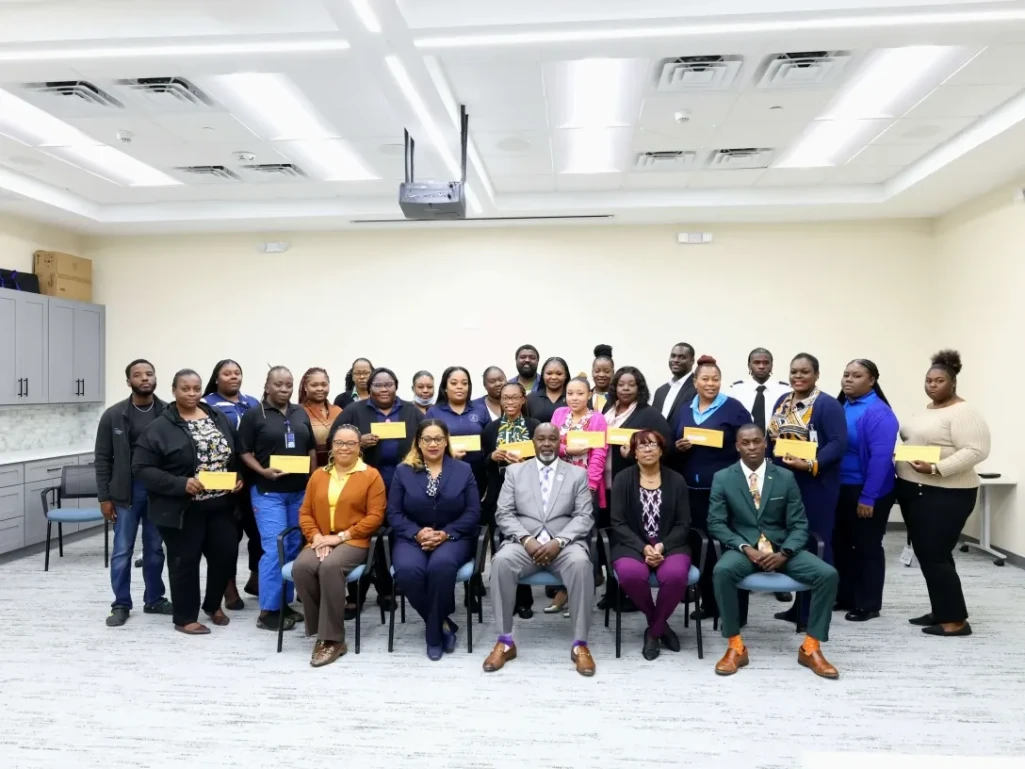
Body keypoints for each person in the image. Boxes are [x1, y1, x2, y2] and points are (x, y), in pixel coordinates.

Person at [708, 424, 840, 679]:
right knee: (722, 571)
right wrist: (745, 548)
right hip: (745, 550)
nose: (751, 447)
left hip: (782, 549)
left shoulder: (784, 477)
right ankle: (736, 646)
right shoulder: (723, 478)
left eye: (756, 441)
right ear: (737, 446)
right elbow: (716, 523)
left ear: (765, 443)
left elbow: (800, 524)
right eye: (745, 442)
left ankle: (810, 647)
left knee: (827, 574)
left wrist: (785, 553)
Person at [132, 369, 243, 635]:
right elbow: (142, 468)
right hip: (182, 508)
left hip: (221, 504)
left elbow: (231, 451)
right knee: (185, 562)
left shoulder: (216, 416)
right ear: (174, 391)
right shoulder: (159, 427)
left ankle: (212, 604)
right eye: (186, 389)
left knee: (226, 556)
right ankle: (184, 617)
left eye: (196, 388)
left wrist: (237, 477)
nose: (192, 394)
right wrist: (180, 484)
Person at [484, 423, 597, 677]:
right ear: (532, 442)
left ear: (560, 442)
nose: (547, 444)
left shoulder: (576, 474)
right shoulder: (514, 472)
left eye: (553, 439)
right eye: (541, 439)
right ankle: (505, 641)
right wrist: (525, 538)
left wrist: (560, 541)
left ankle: (580, 645)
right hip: (524, 544)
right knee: (501, 562)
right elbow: (503, 512)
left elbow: (584, 516)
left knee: (581, 564)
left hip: (564, 545)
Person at [896, 350, 990, 637]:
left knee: (935, 554)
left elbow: (977, 450)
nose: (932, 385)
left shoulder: (964, 412)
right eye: (928, 380)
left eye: (939, 381)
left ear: (953, 383)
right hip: (918, 490)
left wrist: (936, 468)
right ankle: (943, 610)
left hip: (945, 493)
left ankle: (956, 622)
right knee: (931, 555)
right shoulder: (928, 410)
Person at [292, 425, 387, 667]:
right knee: (301, 567)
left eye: (351, 443)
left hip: (354, 540)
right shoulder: (319, 475)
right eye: (339, 443)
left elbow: (375, 516)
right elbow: (305, 512)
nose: (344, 448)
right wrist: (315, 537)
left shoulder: (371, 475)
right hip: (321, 539)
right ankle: (320, 630)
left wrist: (341, 537)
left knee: (330, 567)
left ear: (359, 447)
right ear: (331, 446)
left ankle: (332, 639)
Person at [388, 420, 481, 660]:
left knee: (440, 566)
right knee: (407, 570)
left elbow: (473, 512)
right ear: (418, 442)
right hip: (412, 537)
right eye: (427, 439)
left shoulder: (463, 470)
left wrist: (445, 533)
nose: (432, 444)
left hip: (453, 537)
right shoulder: (403, 471)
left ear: (446, 440)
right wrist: (417, 533)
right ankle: (442, 622)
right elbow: (394, 513)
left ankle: (433, 637)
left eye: (438, 438)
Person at [767, 353, 848, 627]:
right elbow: (772, 439)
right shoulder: (783, 401)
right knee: (793, 542)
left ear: (816, 375)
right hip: (785, 484)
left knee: (816, 544)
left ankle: (816, 610)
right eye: (794, 372)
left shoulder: (827, 405)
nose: (798, 377)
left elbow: (838, 443)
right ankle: (799, 608)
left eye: (804, 372)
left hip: (815, 484)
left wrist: (811, 463)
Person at [331, 367, 423, 607]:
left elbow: (426, 441)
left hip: (403, 485)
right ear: (368, 388)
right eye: (378, 385)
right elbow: (335, 440)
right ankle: (356, 592)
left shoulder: (411, 411)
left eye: (389, 384)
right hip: (363, 486)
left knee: (392, 537)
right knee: (361, 535)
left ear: (396, 386)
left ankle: (387, 589)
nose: (384, 389)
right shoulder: (354, 411)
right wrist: (357, 442)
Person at [238, 366, 317, 632]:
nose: (284, 389)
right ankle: (268, 611)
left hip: (299, 492)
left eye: (288, 385)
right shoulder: (254, 414)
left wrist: (313, 479)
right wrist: (262, 471)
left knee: (293, 546)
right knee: (274, 548)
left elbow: (310, 448)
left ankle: (285, 604)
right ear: (268, 385)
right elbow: (244, 451)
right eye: (279, 384)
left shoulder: (299, 412)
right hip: (268, 492)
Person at [673, 355, 753, 619]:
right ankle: (709, 604)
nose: (711, 383)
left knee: (729, 549)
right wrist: (679, 447)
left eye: (715, 379)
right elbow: (674, 440)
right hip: (692, 493)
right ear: (695, 382)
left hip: (724, 493)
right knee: (702, 550)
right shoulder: (685, 409)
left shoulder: (734, 408)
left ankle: (734, 611)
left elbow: (750, 445)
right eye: (705, 379)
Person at [94, 359, 172, 627]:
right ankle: (121, 604)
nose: (145, 378)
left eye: (149, 373)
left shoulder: (168, 412)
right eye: (138, 375)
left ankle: (154, 599)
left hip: (157, 492)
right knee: (122, 550)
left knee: (154, 549)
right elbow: (103, 458)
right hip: (125, 492)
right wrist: (104, 497)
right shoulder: (114, 415)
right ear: (128, 381)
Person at [609, 430, 691, 660]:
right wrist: (643, 547)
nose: (647, 450)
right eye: (641, 446)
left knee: (675, 575)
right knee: (630, 574)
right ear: (634, 453)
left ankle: (653, 633)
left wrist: (662, 546)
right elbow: (618, 522)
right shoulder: (623, 479)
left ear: (661, 449)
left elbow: (684, 524)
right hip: (631, 544)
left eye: (652, 445)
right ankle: (661, 625)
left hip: (671, 545)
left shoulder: (676, 480)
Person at [598, 365, 673, 610]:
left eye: (632, 384)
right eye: (621, 384)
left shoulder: (648, 414)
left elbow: (665, 445)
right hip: (603, 486)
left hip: (629, 486)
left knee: (625, 537)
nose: (626, 388)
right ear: (614, 387)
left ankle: (627, 594)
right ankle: (612, 590)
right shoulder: (608, 410)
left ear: (639, 388)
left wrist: (633, 456)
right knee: (606, 539)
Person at [834, 359, 899, 622]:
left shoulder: (878, 412)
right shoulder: (842, 406)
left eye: (856, 375)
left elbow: (881, 459)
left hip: (868, 490)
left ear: (871, 380)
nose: (848, 379)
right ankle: (846, 596)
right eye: (846, 374)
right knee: (840, 545)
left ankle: (869, 603)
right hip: (840, 487)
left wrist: (868, 497)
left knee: (866, 547)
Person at [202, 359, 262, 610]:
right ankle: (228, 589)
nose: (233, 377)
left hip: (255, 478)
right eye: (227, 373)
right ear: (217, 378)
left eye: (237, 373)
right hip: (224, 480)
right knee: (227, 538)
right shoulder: (206, 405)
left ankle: (256, 578)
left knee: (260, 533)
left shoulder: (253, 403)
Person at [546, 377, 608, 614]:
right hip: (558, 486)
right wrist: (566, 449)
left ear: (589, 394)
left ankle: (581, 596)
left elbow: (600, 453)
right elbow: (550, 445)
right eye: (570, 393)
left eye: (579, 393)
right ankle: (563, 590)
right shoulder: (559, 415)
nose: (574, 398)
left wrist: (590, 486)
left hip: (585, 487)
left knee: (585, 540)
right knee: (561, 537)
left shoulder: (597, 419)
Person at [427, 366, 491, 496]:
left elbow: (490, 440)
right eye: (454, 383)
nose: (460, 387)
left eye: (464, 383)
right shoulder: (433, 412)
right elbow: (423, 444)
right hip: (444, 473)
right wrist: (447, 453)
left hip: (477, 473)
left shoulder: (480, 410)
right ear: (445, 387)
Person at [728, 348, 790, 434]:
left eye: (766, 363)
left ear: (771, 366)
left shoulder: (784, 390)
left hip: (775, 441)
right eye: (757, 362)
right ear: (749, 366)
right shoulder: (736, 390)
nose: (761, 366)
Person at [299, 367, 342, 468]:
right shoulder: (297, 412)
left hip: (338, 469)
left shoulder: (338, 411)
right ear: (305, 387)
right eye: (314, 385)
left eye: (324, 384)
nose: (320, 388)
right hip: (310, 471)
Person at [652, 343, 696, 424]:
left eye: (682, 357)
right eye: (673, 356)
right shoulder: (660, 391)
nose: (675, 360)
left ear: (692, 361)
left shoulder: (697, 388)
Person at [527, 356, 569, 424]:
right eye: (549, 373)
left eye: (559, 374)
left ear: (566, 375)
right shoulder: (531, 398)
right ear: (543, 375)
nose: (554, 377)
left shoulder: (573, 398)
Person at [590, 344, 614, 413]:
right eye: (597, 371)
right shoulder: (584, 396)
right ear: (592, 372)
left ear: (613, 372)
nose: (601, 375)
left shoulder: (619, 398)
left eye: (606, 371)